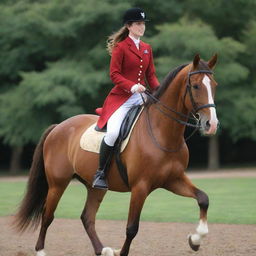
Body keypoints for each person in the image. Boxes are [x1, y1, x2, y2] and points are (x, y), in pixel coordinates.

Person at [92, 7, 160, 189]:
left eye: (143, 24)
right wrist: (131, 86)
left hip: (142, 97)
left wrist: (160, 93)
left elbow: (151, 75)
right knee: (113, 133)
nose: (142, 27)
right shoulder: (120, 47)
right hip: (122, 98)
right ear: (129, 26)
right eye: (138, 24)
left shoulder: (147, 48)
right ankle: (100, 173)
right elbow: (114, 74)